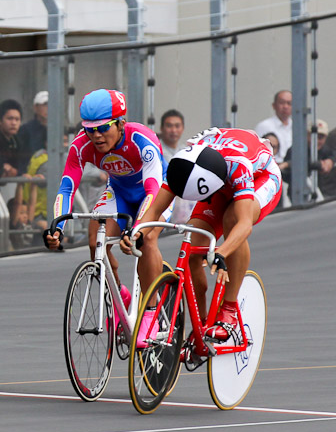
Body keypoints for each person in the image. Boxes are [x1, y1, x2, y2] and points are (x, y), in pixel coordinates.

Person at [121, 127, 282, 343]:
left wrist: (221, 252)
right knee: (191, 247)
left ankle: (229, 309)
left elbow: (244, 224)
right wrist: (135, 233)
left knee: (232, 219)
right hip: (216, 179)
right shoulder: (182, 165)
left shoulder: (238, 165)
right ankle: (201, 325)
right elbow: (154, 211)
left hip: (260, 177)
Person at [44, 89, 170, 340]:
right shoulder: (82, 145)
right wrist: (57, 227)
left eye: (103, 128)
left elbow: (153, 190)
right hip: (120, 192)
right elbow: (67, 186)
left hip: (157, 192)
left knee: (148, 240)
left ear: (121, 123)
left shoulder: (141, 140)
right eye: (90, 130)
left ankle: (151, 311)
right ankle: (120, 294)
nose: (96, 136)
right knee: (96, 241)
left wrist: (137, 232)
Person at [281, 119, 336, 198]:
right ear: (307, 135)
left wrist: (331, 160)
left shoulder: (326, 151)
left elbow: (333, 154)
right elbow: (295, 164)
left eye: (320, 137)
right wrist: (319, 165)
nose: (316, 141)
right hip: (298, 196)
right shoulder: (296, 150)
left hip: (324, 196)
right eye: (313, 136)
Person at [159, 109, 194, 223]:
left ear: (182, 128)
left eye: (177, 126)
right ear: (161, 128)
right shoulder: (156, 150)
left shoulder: (187, 151)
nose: (173, 130)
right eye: (169, 126)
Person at [255, 90, 292, 163]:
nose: (285, 106)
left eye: (289, 103)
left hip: (292, 168)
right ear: (274, 105)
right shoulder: (264, 126)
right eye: (282, 103)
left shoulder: (297, 127)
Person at [0, 99, 25, 178]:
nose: (14, 123)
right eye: (10, 118)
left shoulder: (17, 142)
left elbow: (23, 166)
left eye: (17, 119)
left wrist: (15, 171)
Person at [17, 91, 48, 158]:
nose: (49, 108)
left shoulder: (60, 130)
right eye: (45, 104)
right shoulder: (25, 130)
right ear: (35, 107)